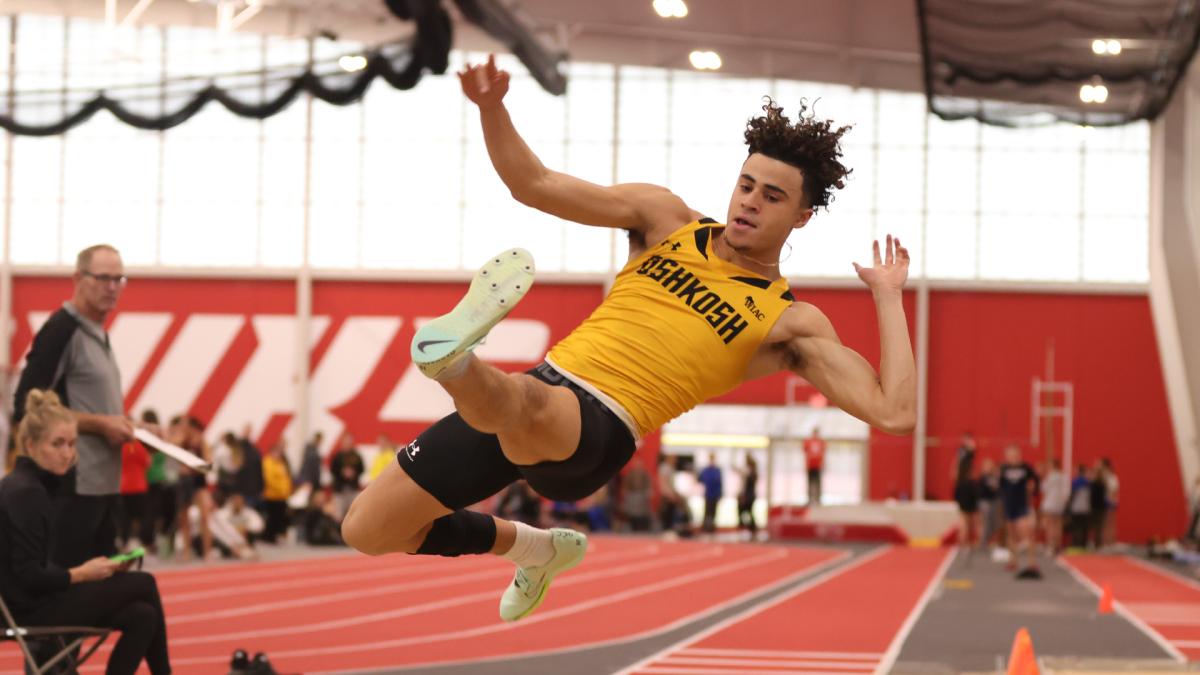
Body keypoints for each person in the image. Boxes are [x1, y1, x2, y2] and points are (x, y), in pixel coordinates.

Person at [342, 55, 917, 624]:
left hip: (602, 426)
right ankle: (535, 549)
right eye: (746, 184)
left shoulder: (789, 321)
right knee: (368, 529)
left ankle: (454, 365)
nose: (749, 201)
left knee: (523, 401)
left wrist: (888, 294)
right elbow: (535, 184)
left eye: (772, 196)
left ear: (802, 217)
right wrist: (494, 109)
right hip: (544, 385)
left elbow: (894, 413)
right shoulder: (665, 219)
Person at [0, 390, 171, 675]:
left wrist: (101, 571)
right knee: (145, 583)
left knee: (143, 615)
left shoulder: (24, 485)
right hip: (27, 609)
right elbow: (29, 575)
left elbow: (33, 566)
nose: (67, 453)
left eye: (71, 444)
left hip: (32, 601)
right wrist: (82, 573)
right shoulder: (27, 492)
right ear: (30, 445)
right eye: (57, 444)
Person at [12, 245, 152, 570]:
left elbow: (92, 407)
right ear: (77, 278)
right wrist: (101, 425)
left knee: (104, 600)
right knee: (67, 599)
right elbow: (26, 406)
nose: (112, 287)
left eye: (119, 278)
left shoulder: (98, 334)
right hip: (72, 488)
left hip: (103, 487)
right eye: (103, 277)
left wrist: (139, 428)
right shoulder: (62, 330)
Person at [171, 416, 213, 562]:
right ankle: (186, 551)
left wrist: (193, 467)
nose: (182, 428)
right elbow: (170, 448)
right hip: (185, 482)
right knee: (184, 519)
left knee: (204, 518)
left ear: (192, 427)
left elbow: (209, 464)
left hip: (199, 482)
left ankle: (208, 552)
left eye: (184, 425)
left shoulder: (202, 442)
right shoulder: (182, 440)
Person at [998, 445, 1039, 573]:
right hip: (1009, 505)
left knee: (1027, 531)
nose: (1012, 457)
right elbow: (1001, 487)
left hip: (1022, 504)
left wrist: (1033, 490)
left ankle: (1032, 561)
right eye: (1010, 454)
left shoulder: (1025, 468)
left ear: (1019, 455)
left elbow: (1036, 479)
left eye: (1014, 454)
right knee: (1011, 534)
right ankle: (1013, 560)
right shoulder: (1004, 469)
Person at [206, 493, 264, 560]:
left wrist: (245, 528)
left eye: (239, 502)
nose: (237, 504)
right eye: (235, 502)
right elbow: (221, 525)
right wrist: (235, 530)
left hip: (245, 537)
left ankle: (243, 549)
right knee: (220, 527)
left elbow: (259, 525)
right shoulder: (224, 513)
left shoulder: (248, 512)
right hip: (228, 539)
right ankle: (239, 549)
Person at [952, 432, 980, 555]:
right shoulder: (964, 451)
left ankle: (967, 543)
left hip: (965, 485)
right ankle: (963, 544)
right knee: (966, 520)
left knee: (970, 520)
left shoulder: (964, 453)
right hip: (965, 486)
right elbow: (973, 447)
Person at [260, 440, 293, 544]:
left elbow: (285, 477)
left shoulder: (280, 463)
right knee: (272, 518)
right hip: (272, 495)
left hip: (282, 496)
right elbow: (269, 479)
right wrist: (280, 489)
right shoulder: (268, 462)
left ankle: (277, 536)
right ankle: (269, 537)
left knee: (281, 518)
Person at [328, 433, 364, 521]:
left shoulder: (356, 456)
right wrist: (342, 473)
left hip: (352, 489)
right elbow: (333, 470)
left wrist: (353, 473)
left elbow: (361, 469)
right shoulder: (337, 457)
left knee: (352, 515)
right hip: (340, 490)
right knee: (338, 515)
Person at [1039, 459, 1069, 556]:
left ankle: (1051, 545)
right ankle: (1058, 545)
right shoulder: (1063, 476)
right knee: (1058, 525)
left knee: (1050, 526)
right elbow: (1066, 492)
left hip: (1049, 504)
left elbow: (1043, 489)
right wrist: (1063, 503)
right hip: (1059, 505)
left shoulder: (1049, 477)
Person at [620, 458, 652, 532]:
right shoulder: (630, 475)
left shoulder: (645, 475)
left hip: (642, 496)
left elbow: (648, 487)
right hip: (631, 496)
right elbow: (625, 487)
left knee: (640, 499)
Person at [1067, 464, 1092, 548]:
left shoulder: (1075, 482)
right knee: (1084, 528)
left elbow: (1071, 496)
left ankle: (1076, 545)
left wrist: (1068, 507)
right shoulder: (1088, 482)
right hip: (1086, 508)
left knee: (1076, 528)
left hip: (1076, 508)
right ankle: (1083, 545)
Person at [657, 454, 684, 534]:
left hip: (671, 493)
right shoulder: (665, 468)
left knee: (672, 512)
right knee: (667, 512)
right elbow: (663, 482)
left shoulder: (671, 468)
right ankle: (667, 529)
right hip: (667, 494)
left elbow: (672, 483)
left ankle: (670, 529)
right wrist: (669, 494)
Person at [977, 458, 1001, 550]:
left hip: (994, 502)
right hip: (985, 502)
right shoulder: (982, 478)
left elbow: (998, 489)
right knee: (985, 522)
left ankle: (993, 541)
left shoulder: (994, 477)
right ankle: (983, 541)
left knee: (995, 523)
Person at [697, 455, 723, 534]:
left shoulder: (715, 470)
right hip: (709, 494)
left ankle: (710, 528)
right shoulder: (710, 470)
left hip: (713, 494)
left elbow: (719, 483)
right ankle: (707, 528)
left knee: (712, 512)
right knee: (708, 512)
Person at [737, 455, 759, 539]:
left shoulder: (749, 473)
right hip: (751, 495)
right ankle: (751, 527)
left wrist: (743, 496)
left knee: (744, 511)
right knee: (748, 512)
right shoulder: (754, 473)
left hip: (748, 496)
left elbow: (745, 486)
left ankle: (749, 527)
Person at [1090, 459, 1109, 550]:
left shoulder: (1097, 483)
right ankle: (1098, 542)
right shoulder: (1101, 483)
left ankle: (1099, 543)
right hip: (1099, 506)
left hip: (1096, 507)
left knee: (1099, 526)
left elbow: (1095, 496)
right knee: (1099, 526)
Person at [803, 428, 826, 506]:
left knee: (818, 483)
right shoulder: (808, 441)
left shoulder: (821, 442)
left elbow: (822, 454)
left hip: (818, 465)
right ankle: (810, 499)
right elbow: (805, 453)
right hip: (810, 465)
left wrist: (824, 464)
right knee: (810, 483)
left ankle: (818, 499)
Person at [1102, 457, 1119, 546]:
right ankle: (1106, 542)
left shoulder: (1111, 477)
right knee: (1105, 524)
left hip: (1109, 503)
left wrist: (1113, 503)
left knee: (1109, 524)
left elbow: (1113, 491)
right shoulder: (1105, 477)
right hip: (1105, 502)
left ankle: (1110, 543)